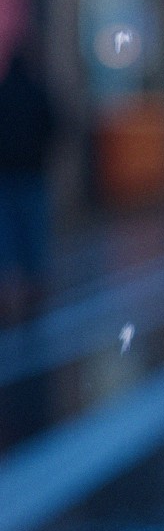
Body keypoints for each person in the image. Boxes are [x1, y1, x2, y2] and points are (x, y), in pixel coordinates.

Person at [0, 41, 60, 326]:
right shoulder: (37, 91)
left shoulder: (3, 93)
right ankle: (34, 293)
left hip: (5, 174)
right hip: (32, 174)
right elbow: (54, 126)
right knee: (33, 235)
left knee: (7, 234)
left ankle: (10, 290)